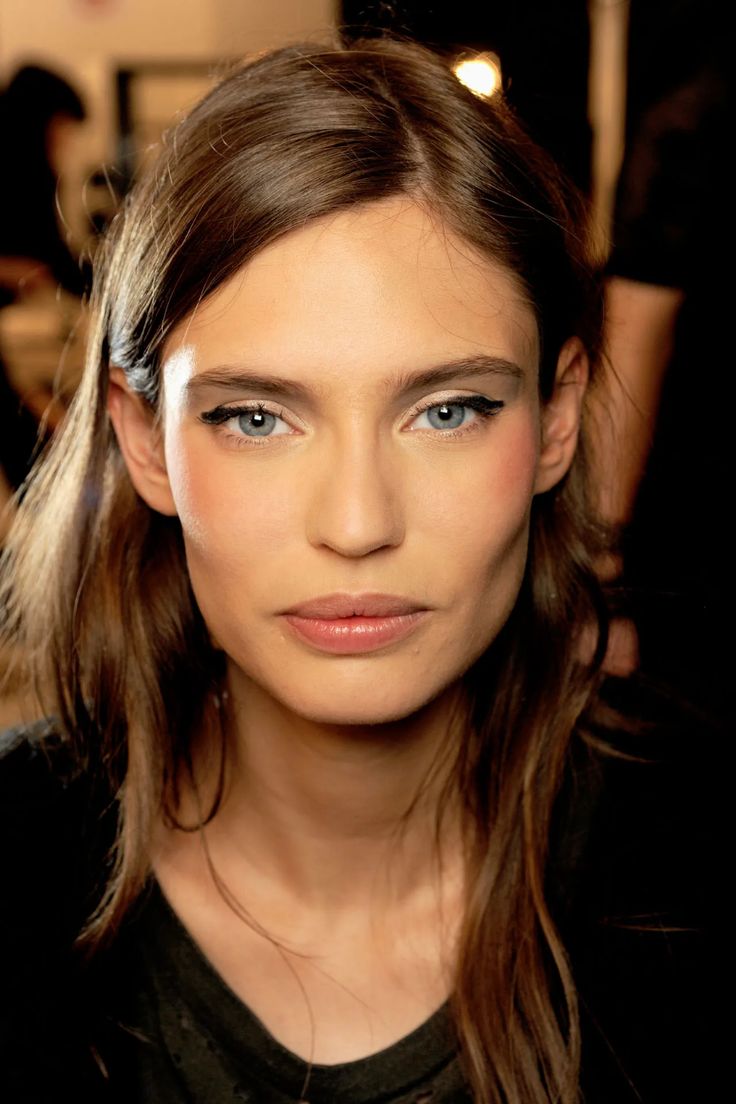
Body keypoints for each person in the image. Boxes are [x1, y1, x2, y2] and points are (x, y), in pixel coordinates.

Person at [0, 36, 710, 1104]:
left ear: (558, 420)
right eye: (255, 417)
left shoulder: (698, 870)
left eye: (446, 411)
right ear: (143, 441)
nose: (358, 522)